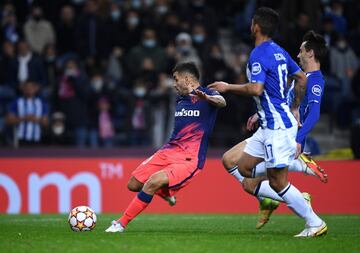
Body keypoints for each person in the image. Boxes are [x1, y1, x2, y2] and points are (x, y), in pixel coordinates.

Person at [208, 7, 327, 237]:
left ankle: (314, 222)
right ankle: (291, 172)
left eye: (252, 23)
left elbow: (256, 88)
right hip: (269, 123)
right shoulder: (279, 51)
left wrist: (227, 86)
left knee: (277, 182)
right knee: (243, 170)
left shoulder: (258, 54)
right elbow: (300, 77)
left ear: (256, 27)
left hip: (277, 128)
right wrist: (293, 106)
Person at [105, 62, 226, 233]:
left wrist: (207, 98)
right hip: (168, 150)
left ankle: (120, 224)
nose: (174, 84)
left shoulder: (208, 94)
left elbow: (222, 102)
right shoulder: (181, 98)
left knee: (153, 182)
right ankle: (167, 194)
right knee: (133, 184)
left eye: (176, 80)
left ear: (187, 78)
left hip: (189, 158)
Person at [241, 30, 329, 229]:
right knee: (249, 182)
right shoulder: (300, 78)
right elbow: (286, 104)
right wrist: (261, 114)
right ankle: (294, 174)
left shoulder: (315, 80)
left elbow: (314, 113)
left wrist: (299, 138)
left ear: (311, 53)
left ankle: (300, 167)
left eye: (301, 51)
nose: (297, 55)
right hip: (277, 127)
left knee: (258, 177)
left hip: (288, 138)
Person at [6, 79, 49, 146]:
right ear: (22, 88)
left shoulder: (42, 103)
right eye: (27, 87)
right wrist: (25, 118)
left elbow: (46, 122)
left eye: (31, 87)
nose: (29, 90)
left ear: (36, 88)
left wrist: (35, 119)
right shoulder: (16, 102)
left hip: (37, 139)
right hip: (20, 139)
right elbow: (9, 120)